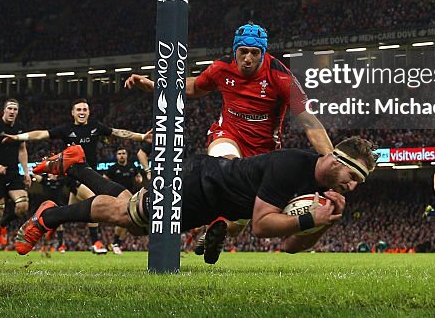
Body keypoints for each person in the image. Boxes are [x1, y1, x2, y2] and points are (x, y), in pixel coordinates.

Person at [125, 23, 334, 254]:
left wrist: (333, 162)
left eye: (254, 53)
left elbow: (309, 122)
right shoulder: (221, 68)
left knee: (236, 225)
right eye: (242, 51)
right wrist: (157, 85)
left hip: (263, 153)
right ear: (235, 50)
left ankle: (217, 228)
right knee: (224, 167)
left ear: (263, 53)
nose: (247, 58)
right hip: (227, 135)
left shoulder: (281, 76)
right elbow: (195, 87)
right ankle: (191, 219)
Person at [14, 136, 377, 263]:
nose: (353, 186)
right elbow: (262, 226)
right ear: (334, 160)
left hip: (211, 201)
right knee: (126, 215)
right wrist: (307, 219)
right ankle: (51, 216)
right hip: (198, 182)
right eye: (353, 176)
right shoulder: (291, 167)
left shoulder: (317, 191)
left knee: (137, 222)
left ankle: (77, 167)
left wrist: (321, 224)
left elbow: (290, 246)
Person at [13, 98, 150, 254]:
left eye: (85, 109)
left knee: (70, 211)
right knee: (94, 199)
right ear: (72, 113)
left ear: (89, 112)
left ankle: (51, 225)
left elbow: (117, 132)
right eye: (79, 110)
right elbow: (41, 134)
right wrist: (18, 137)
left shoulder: (95, 127)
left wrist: (141, 137)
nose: (82, 112)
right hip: (73, 176)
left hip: (93, 174)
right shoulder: (66, 129)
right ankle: (96, 242)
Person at [0, 98, 31, 254]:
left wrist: (26, 172)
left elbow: (22, 150)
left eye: (15, 109)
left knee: (23, 206)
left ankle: (3, 224)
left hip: (13, 173)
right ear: (4, 110)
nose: (12, 111)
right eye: (10, 108)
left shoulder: (20, 128)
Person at [103, 147, 146, 253]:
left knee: (128, 222)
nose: (121, 155)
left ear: (126, 155)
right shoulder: (113, 168)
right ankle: (116, 244)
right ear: (116, 156)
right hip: (117, 197)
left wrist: (139, 179)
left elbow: (139, 176)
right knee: (121, 221)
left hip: (131, 197)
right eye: (119, 153)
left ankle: (116, 244)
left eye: (123, 153)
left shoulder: (132, 166)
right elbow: (104, 179)